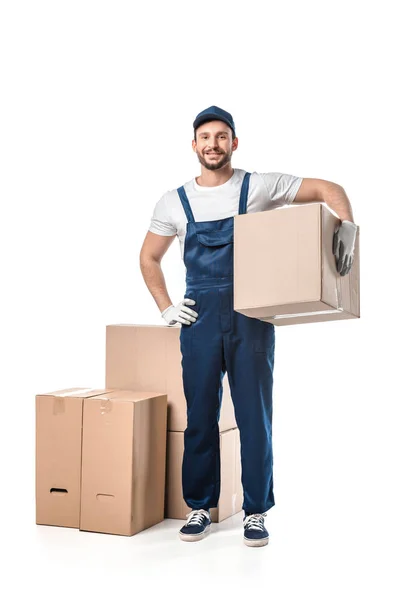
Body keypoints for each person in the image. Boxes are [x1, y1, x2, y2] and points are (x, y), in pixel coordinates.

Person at [139, 106, 358, 547]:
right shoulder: (173, 201)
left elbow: (328, 188)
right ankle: (200, 506)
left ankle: (256, 512)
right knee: (200, 417)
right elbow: (148, 257)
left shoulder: (257, 186)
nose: (213, 144)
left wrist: (347, 227)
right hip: (199, 320)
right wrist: (165, 307)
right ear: (194, 145)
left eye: (222, 136)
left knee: (254, 417)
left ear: (234, 143)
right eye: (205, 137)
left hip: (251, 316)